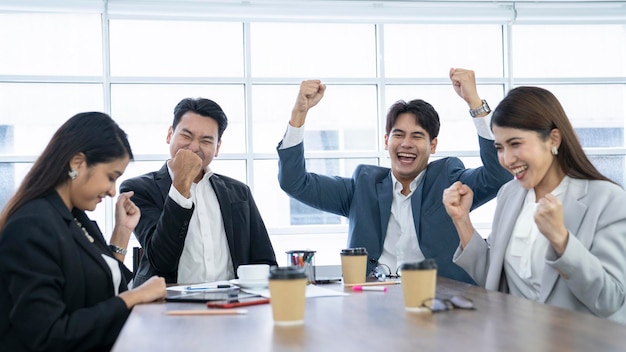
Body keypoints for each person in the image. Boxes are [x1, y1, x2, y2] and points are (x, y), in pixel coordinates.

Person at [277, 68, 512, 284]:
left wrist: (475, 103)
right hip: (373, 303)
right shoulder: (363, 185)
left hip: (439, 303)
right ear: (386, 140)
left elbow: (499, 175)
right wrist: (299, 113)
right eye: (398, 134)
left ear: (433, 145)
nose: (406, 144)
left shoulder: (449, 180)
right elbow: (295, 182)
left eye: (417, 136)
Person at [442, 86, 626, 322]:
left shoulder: (607, 199)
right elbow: (496, 282)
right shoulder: (509, 194)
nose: (507, 160)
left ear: (553, 139)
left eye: (516, 144)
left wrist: (562, 240)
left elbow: (611, 299)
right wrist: (462, 220)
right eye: (500, 147)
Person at [0, 112, 166, 351]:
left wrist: (122, 231)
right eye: (111, 177)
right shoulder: (32, 226)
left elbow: (104, 287)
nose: (112, 191)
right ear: (77, 163)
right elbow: (50, 335)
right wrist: (134, 297)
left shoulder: (75, 217)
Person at [121, 98, 277, 287]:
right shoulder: (139, 189)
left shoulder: (239, 192)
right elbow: (162, 260)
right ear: (170, 134)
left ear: (217, 147)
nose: (194, 147)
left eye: (205, 140)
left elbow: (265, 261)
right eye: (186, 136)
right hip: (168, 304)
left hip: (233, 303)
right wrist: (181, 184)